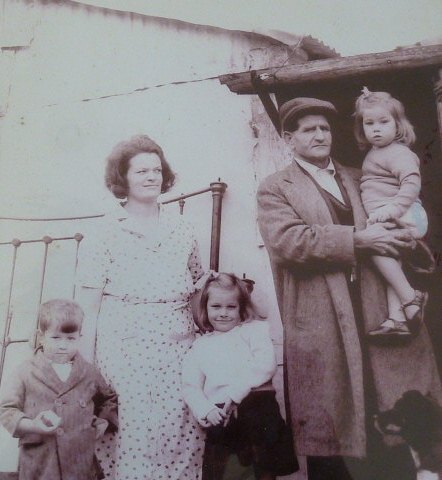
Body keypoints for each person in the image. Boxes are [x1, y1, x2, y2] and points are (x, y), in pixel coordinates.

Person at [256, 97, 442, 480]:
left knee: (391, 421)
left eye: (325, 128)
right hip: (324, 320)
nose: (320, 135)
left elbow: (405, 219)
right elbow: (289, 242)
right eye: (309, 129)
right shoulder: (276, 189)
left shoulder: (363, 175)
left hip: (375, 312)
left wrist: (406, 238)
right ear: (289, 139)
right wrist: (358, 240)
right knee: (334, 426)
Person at [76, 134, 205, 480]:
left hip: (179, 343)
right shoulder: (103, 231)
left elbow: (196, 285)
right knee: (137, 433)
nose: (151, 177)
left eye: (156, 169)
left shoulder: (183, 227)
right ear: (123, 178)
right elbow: (88, 304)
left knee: (183, 433)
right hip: (125, 345)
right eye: (140, 171)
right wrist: (88, 370)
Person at [182, 272, 298, 480]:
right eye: (216, 307)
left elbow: (264, 365)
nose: (223, 313)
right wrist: (206, 410)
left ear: (241, 307)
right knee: (228, 474)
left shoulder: (254, 331)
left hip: (258, 412)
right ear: (205, 308)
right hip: (222, 417)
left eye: (231, 307)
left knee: (263, 472)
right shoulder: (200, 346)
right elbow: (190, 386)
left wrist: (235, 394)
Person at [0, 299, 118, 480]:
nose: (63, 345)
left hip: (80, 462)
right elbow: (6, 409)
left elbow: (109, 399)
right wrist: (32, 425)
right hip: (40, 461)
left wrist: (103, 422)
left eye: (71, 339)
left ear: (80, 338)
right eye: (55, 338)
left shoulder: (88, 372)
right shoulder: (26, 371)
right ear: (41, 336)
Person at [354, 87, 428, 337]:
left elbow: (411, 183)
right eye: (369, 123)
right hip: (396, 213)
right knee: (391, 262)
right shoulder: (376, 153)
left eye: (384, 122)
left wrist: (393, 209)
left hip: (406, 212)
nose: (376, 128)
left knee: (375, 248)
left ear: (398, 125)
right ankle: (398, 319)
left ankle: (411, 298)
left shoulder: (398, 152)